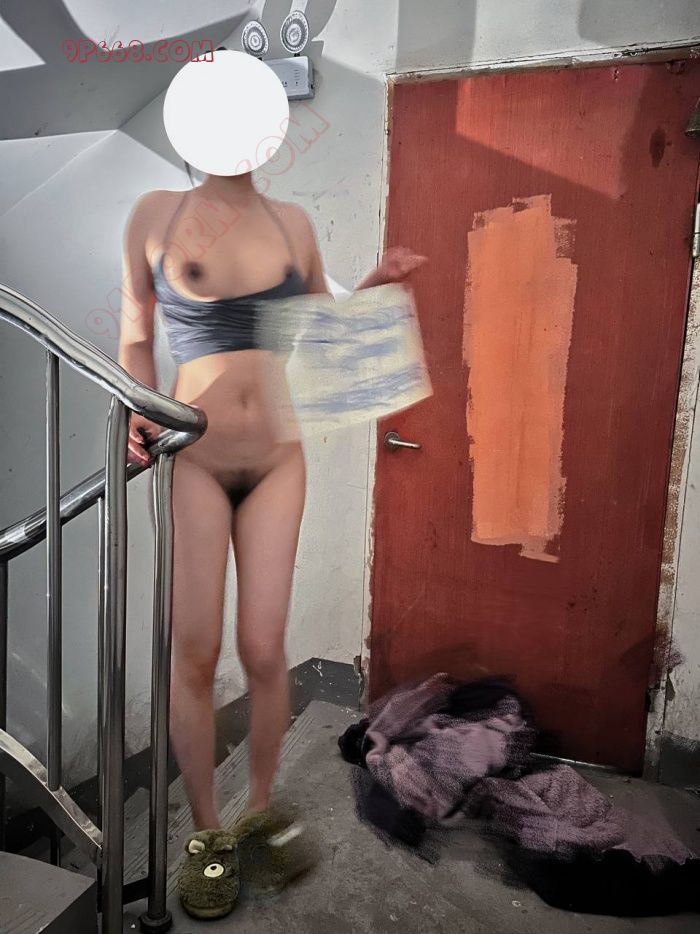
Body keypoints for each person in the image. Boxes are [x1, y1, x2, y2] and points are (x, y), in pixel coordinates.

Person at [118, 170, 425, 915]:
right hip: (193, 457)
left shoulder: (293, 221)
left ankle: (256, 814)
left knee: (263, 648)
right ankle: (207, 835)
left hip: (277, 460)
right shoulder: (156, 214)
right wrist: (137, 406)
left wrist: (375, 286)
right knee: (193, 651)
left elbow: (321, 325)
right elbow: (135, 334)